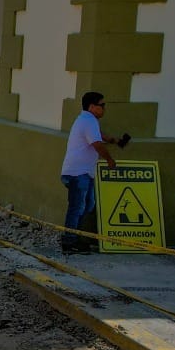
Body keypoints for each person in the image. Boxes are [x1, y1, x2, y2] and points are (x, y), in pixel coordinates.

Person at [60, 91, 118, 254]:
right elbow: (97, 144)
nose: (104, 108)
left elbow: (99, 136)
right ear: (92, 107)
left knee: (87, 205)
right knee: (77, 207)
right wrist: (109, 159)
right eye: (102, 105)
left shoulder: (87, 120)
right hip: (78, 173)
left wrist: (113, 140)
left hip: (83, 172)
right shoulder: (89, 120)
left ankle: (75, 237)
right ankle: (70, 242)